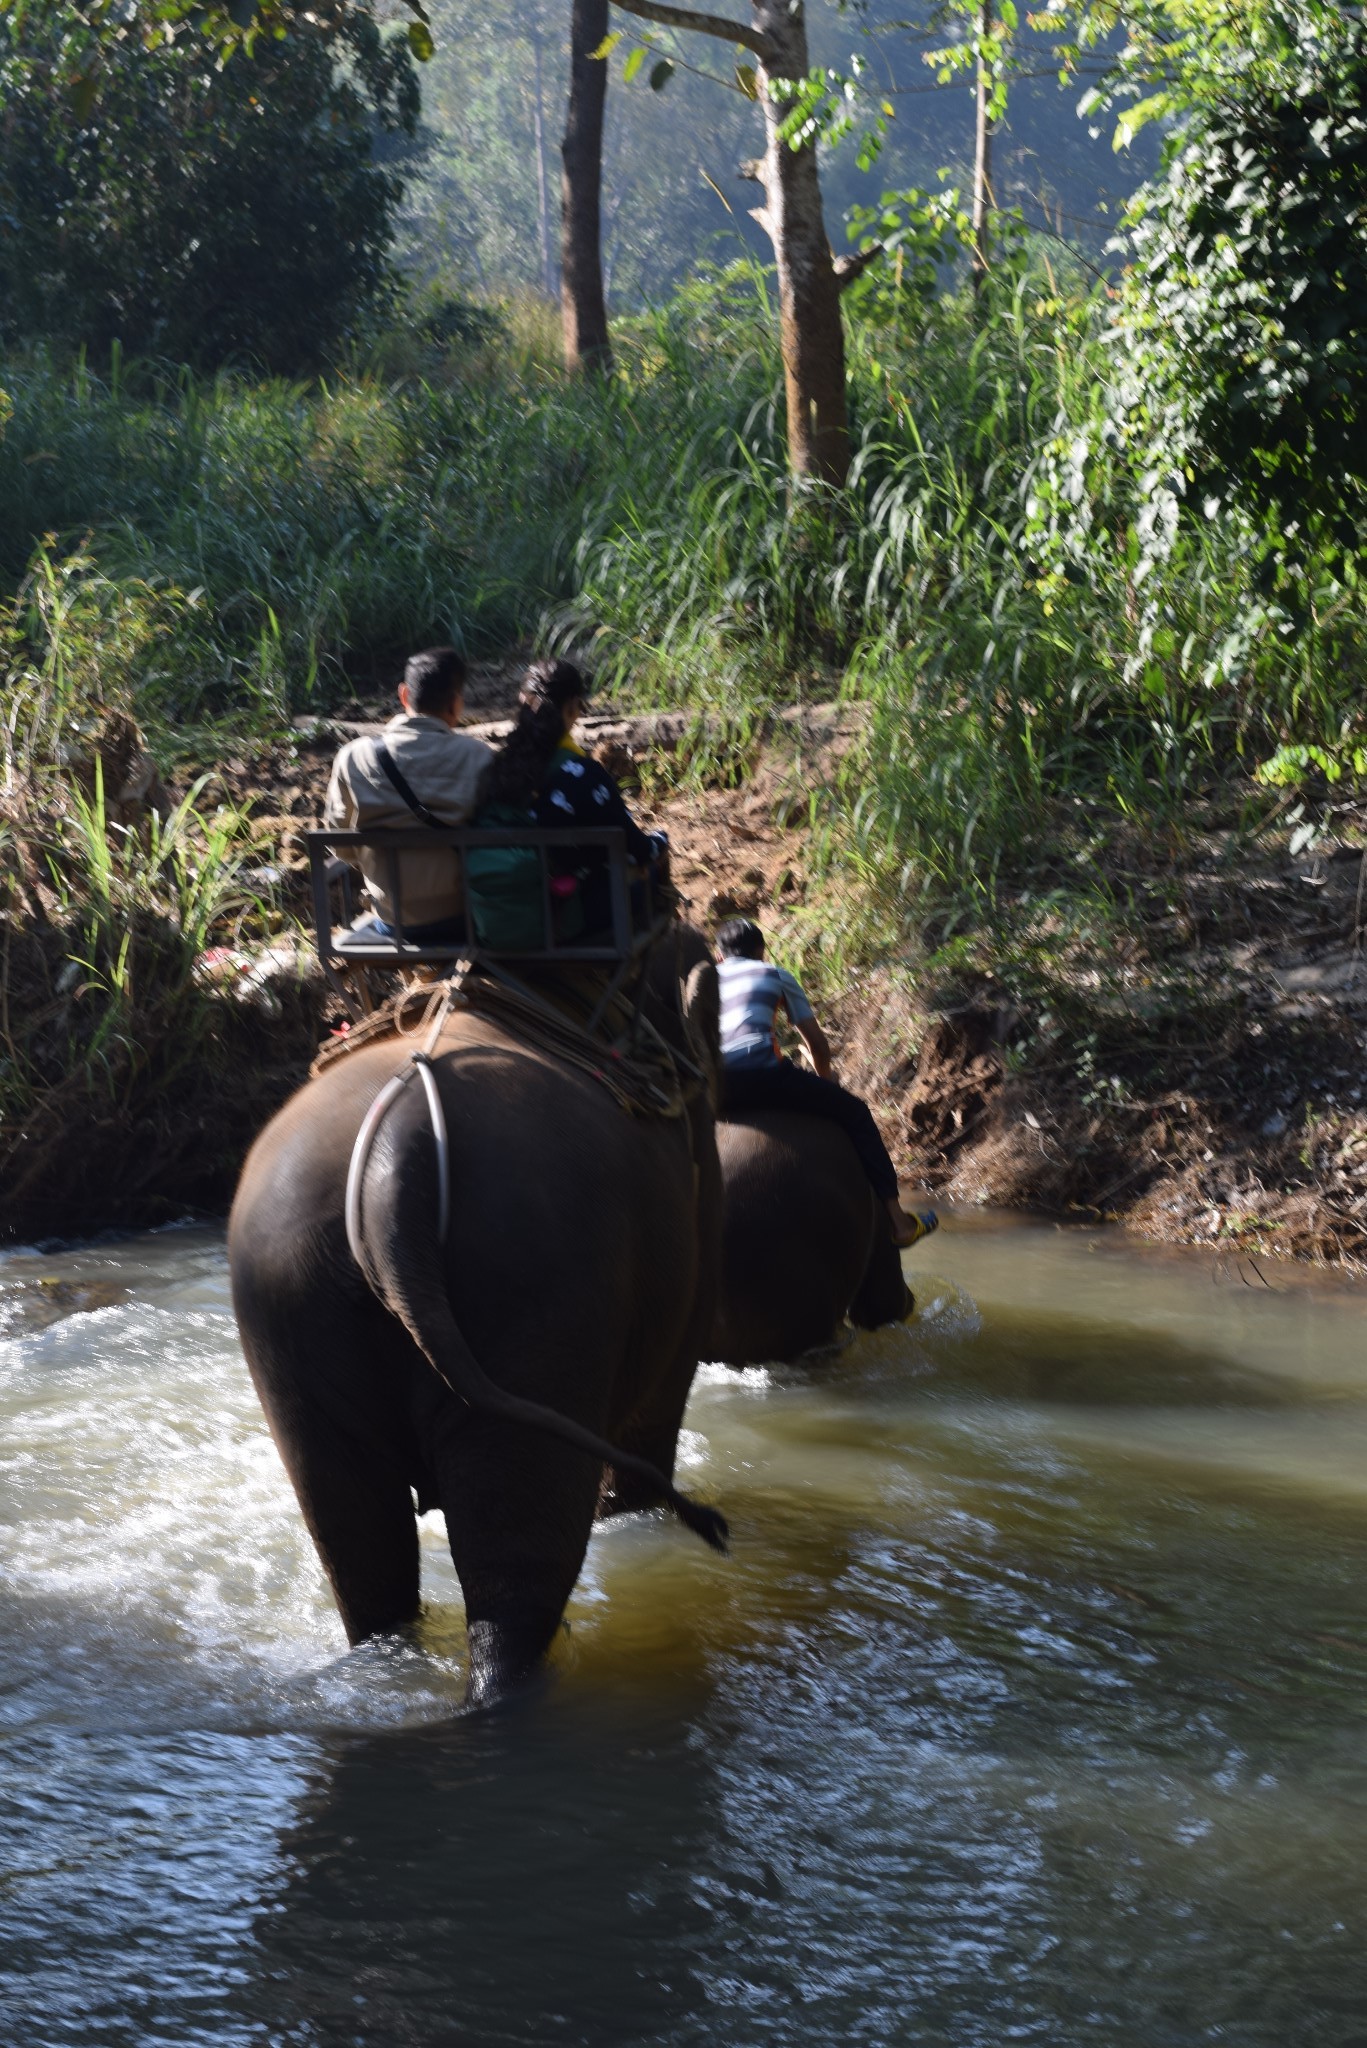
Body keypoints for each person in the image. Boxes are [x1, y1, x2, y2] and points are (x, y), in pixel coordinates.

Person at [715, 918, 936, 1250]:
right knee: (857, 1113)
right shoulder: (775, 975)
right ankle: (899, 1222)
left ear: (719, 955)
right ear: (762, 952)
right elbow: (817, 1045)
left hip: (716, 1084)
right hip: (765, 1075)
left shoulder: (704, 978)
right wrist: (825, 1080)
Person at [477, 657, 667, 934]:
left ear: (523, 703)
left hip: (495, 918)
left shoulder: (495, 768)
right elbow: (639, 850)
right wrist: (661, 841)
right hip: (566, 916)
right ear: (572, 706)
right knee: (653, 872)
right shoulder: (584, 774)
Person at [324, 646, 492, 941]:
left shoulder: (354, 757)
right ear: (456, 703)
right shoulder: (479, 757)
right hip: (464, 916)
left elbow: (340, 845)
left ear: (404, 695)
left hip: (395, 921)